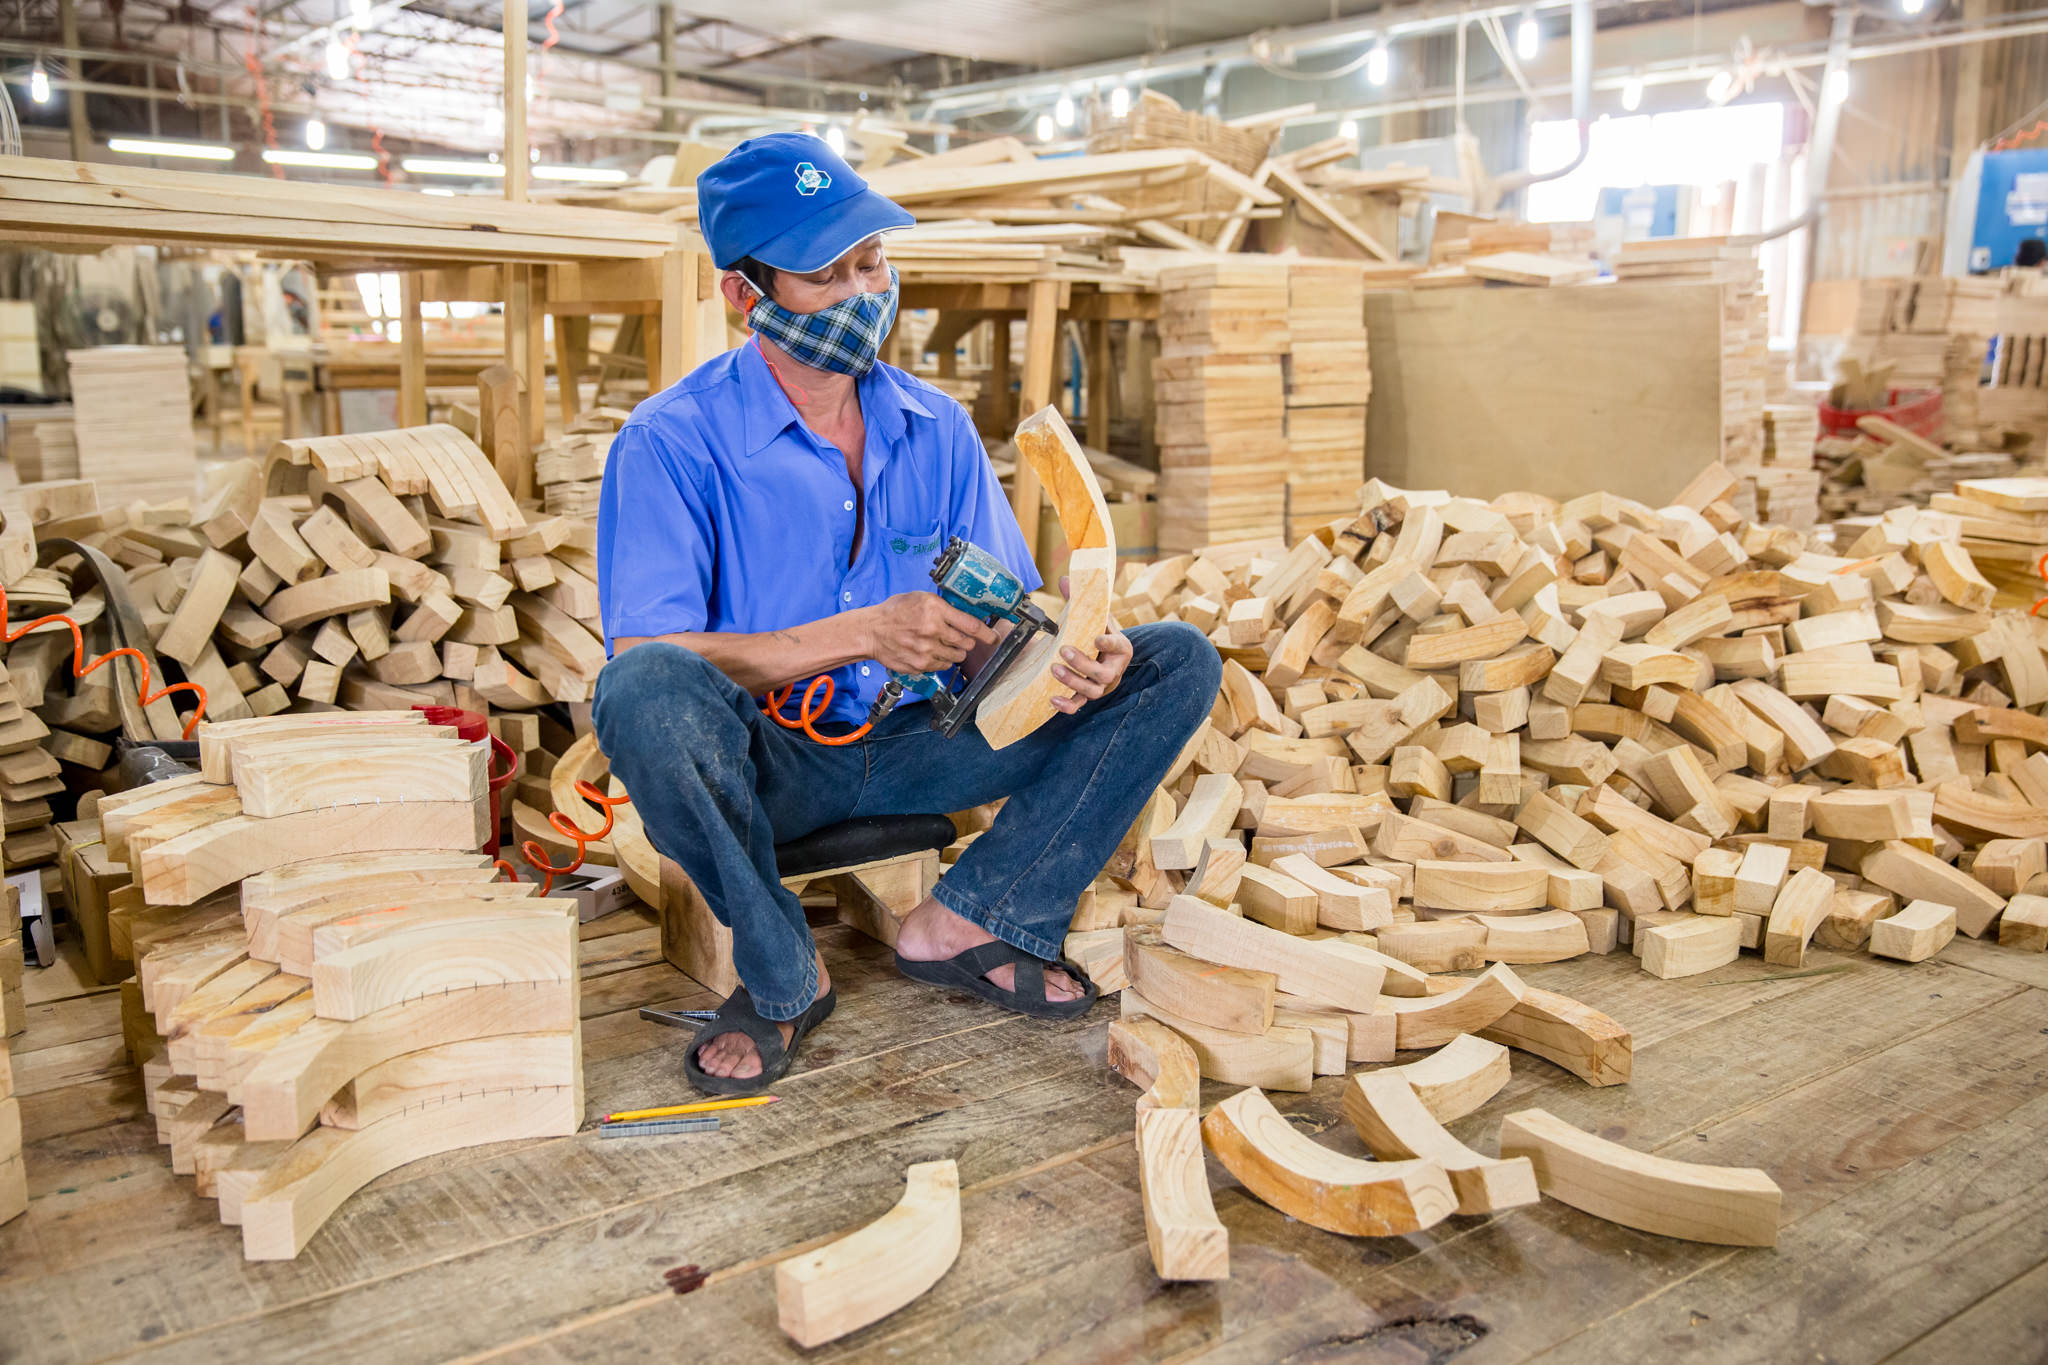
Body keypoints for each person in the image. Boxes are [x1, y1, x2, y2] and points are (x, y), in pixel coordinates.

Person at [592, 133, 1220, 1095]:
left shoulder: (937, 427)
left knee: (1174, 659)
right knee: (641, 691)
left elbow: (1004, 623)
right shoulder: (670, 442)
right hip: (772, 765)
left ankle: (975, 917)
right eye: (824, 274)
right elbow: (651, 656)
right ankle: (784, 974)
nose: (862, 292)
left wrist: (1066, 656)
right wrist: (863, 633)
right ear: (745, 295)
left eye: (872, 261)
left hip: (932, 737)